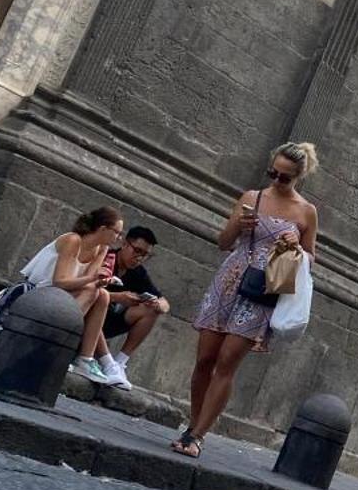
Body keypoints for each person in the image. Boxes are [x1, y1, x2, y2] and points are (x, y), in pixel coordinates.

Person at [176, 142, 319, 457]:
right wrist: (238, 225)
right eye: (273, 173)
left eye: (283, 177)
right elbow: (224, 242)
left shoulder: (306, 211)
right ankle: (192, 424)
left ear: (297, 177)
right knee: (205, 359)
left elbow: (311, 259)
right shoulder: (252, 197)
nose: (276, 180)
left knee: (227, 362)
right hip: (229, 279)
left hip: (263, 287)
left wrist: (297, 243)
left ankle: (198, 436)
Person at [3, 207, 131, 387]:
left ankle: (85, 359)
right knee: (95, 291)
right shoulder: (73, 240)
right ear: (102, 229)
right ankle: (52, 343)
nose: (119, 238)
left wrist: (102, 281)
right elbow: (60, 281)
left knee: (101, 294)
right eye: (117, 232)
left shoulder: (102, 249)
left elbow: (88, 284)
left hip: (63, 296)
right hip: (36, 294)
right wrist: (94, 278)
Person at [101, 225, 169, 381]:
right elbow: (87, 291)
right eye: (137, 251)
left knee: (150, 310)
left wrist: (158, 305)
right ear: (125, 244)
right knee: (99, 301)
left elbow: (164, 302)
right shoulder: (106, 258)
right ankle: (105, 362)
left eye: (146, 255)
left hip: (111, 322)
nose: (139, 258)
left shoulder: (138, 272)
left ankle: (119, 363)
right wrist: (117, 297)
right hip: (88, 316)